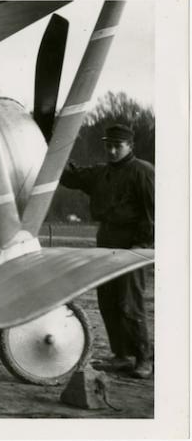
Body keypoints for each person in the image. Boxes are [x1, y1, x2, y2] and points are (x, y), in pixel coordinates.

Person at [60, 123, 154, 379]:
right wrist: (49, 152)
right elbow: (70, 175)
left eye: (117, 146)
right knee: (109, 300)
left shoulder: (142, 172)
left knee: (129, 303)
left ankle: (144, 358)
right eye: (108, 145)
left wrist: (143, 245)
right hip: (106, 239)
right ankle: (121, 356)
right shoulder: (101, 173)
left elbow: (153, 212)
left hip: (132, 243)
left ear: (130, 146)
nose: (112, 150)